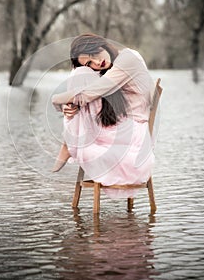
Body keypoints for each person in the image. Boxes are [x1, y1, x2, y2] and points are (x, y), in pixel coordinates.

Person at [52, 33, 155, 195]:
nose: (97, 63)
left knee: (81, 77)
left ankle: (68, 142)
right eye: (90, 63)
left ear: (101, 44)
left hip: (133, 132)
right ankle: (69, 141)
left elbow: (88, 94)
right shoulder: (109, 68)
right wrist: (68, 105)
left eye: (94, 55)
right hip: (120, 126)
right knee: (81, 75)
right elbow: (87, 95)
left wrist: (56, 99)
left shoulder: (128, 59)